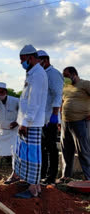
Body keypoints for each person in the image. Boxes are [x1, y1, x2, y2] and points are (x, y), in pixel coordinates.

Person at [14, 44, 48, 198]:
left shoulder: (38, 75)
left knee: (33, 154)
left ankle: (33, 188)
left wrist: (25, 123)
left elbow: (34, 102)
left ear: (31, 58)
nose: (21, 63)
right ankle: (33, 183)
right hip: (28, 121)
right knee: (26, 153)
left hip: (31, 123)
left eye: (23, 60)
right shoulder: (32, 73)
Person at [37, 50, 64, 185]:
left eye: (38, 60)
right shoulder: (41, 74)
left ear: (45, 60)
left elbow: (57, 95)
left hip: (50, 118)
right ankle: (42, 173)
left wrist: (54, 115)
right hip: (41, 118)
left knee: (51, 147)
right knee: (42, 147)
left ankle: (51, 176)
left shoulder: (54, 74)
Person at [60, 66, 90, 181]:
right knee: (66, 151)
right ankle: (66, 176)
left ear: (74, 74)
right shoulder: (66, 88)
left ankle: (88, 178)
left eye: (66, 76)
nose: (65, 78)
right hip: (65, 122)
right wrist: (59, 119)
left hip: (81, 121)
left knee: (83, 151)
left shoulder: (85, 84)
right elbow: (63, 102)